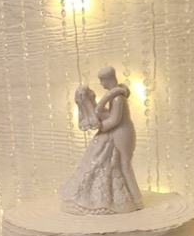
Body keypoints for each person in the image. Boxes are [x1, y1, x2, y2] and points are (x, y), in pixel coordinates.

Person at [60, 66, 143, 214]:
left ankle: (136, 200)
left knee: (125, 165)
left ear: (108, 79)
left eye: (102, 81)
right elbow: (106, 114)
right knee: (119, 164)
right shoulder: (114, 94)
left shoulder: (117, 97)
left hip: (122, 132)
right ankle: (134, 197)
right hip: (116, 131)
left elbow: (114, 120)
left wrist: (100, 126)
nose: (101, 84)